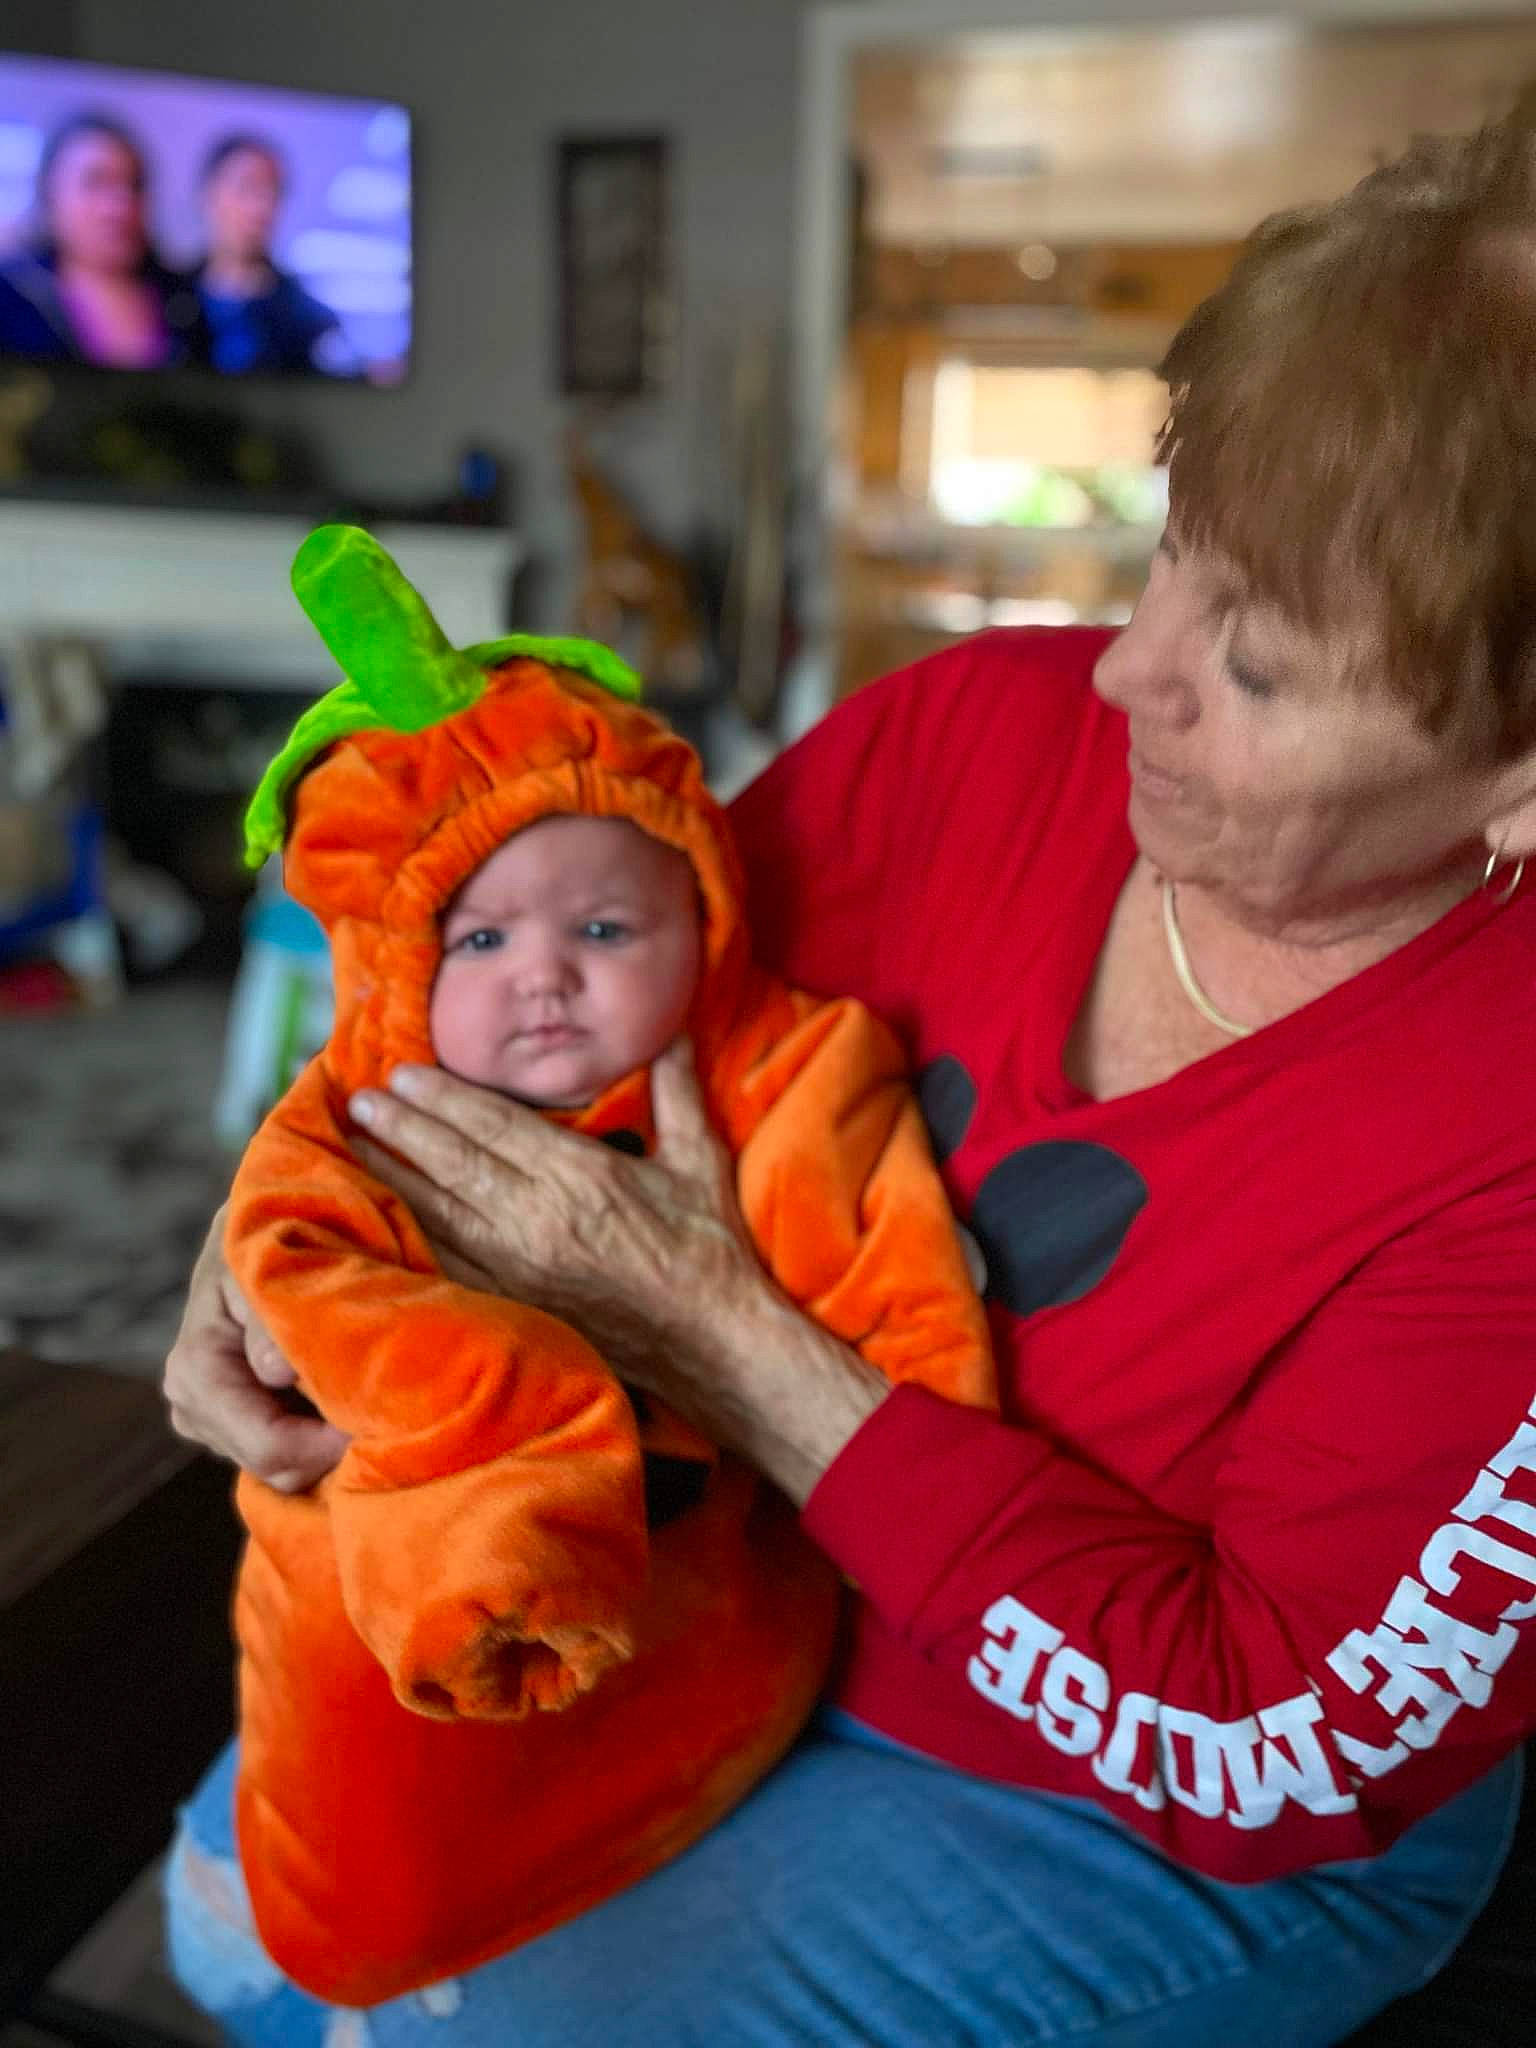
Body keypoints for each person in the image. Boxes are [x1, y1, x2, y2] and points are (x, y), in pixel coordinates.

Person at [163, 98, 1536, 2047]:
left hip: (1116, 1799)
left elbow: (1261, 1741)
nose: (1129, 670)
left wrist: (732, 1342)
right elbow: (580, 1000)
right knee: (243, 1933)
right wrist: (282, 1227)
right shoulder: (970, 730)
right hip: (741, 1592)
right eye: (1175, 557)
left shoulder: (1510, 1131)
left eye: (1259, 663)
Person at [218, 524, 993, 2007]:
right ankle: (380, 1916)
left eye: (601, 925)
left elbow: (901, 1300)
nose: (546, 974)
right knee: (351, 1850)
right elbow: (297, 1278)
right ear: (391, 969)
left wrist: (920, 1460)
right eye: (481, 937)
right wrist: (518, 1419)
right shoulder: (364, 1122)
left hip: (704, 1588)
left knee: (691, 1707)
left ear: (701, 913)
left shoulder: (785, 1072)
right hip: (429, 1585)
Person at [0, 113, 205, 368]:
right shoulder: (12, 296)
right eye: (95, 182)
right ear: (49, 194)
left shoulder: (186, 300)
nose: (120, 206)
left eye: (133, 186)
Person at [191, 135, 351, 376]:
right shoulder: (164, 299)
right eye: (246, 187)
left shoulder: (310, 319)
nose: (260, 208)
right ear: (207, 194)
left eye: (273, 193)